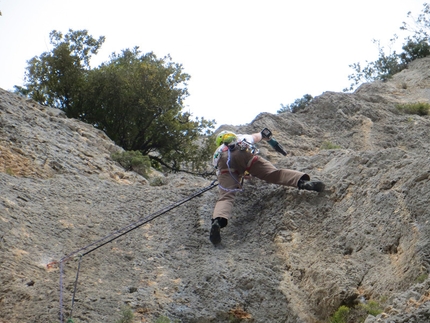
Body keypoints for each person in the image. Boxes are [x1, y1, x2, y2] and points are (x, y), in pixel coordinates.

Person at [210, 129, 325, 245]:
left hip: (224, 165)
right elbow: (259, 136)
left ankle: (218, 221)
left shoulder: (217, 152)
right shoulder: (242, 138)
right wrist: (264, 136)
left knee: (225, 197)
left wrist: (234, 178)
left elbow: (221, 173)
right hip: (245, 153)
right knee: (273, 174)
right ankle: (301, 181)